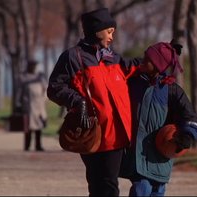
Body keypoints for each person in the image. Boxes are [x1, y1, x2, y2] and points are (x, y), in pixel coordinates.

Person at [47, 8, 142, 196]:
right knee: (98, 184)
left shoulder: (113, 58)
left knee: (108, 184)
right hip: (90, 132)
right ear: (97, 30)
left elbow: (133, 68)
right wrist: (77, 102)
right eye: (109, 31)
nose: (112, 37)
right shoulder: (73, 57)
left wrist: (160, 55)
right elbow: (54, 88)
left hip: (115, 135)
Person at [119, 42, 197, 196]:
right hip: (139, 155)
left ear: (158, 66)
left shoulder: (172, 90)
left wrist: (188, 135)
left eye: (147, 59)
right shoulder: (133, 83)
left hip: (163, 153)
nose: (142, 60)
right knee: (141, 189)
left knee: (158, 191)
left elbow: (190, 116)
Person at [17, 60, 48, 152]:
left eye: (35, 66)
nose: (33, 67)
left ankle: (38, 145)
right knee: (28, 126)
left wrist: (44, 99)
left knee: (39, 126)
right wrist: (18, 103)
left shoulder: (40, 77)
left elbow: (45, 89)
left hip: (39, 105)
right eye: (32, 66)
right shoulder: (23, 77)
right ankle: (27, 145)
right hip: (28, 105)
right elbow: (19, 91)